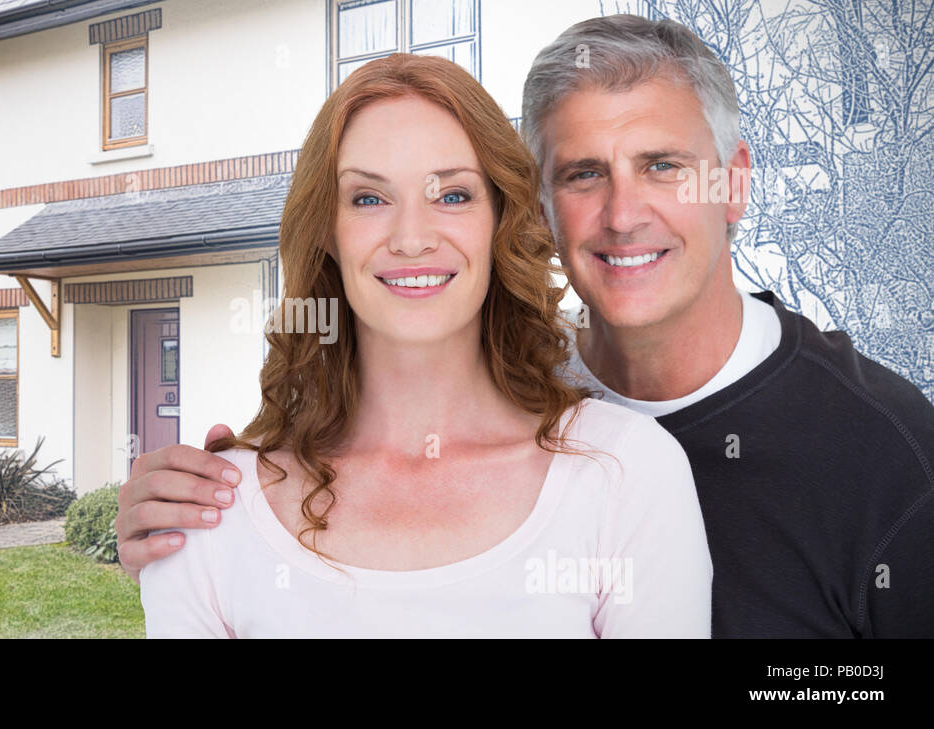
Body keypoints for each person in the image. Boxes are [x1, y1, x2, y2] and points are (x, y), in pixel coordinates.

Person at [120, 15, 934, 638]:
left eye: (662, 166)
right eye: (583, 174)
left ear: (734, 183)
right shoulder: (535, 388)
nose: (622, 214)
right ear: (537, 209)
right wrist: (171, 527)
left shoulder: (888, 452)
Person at [137, 52, 712, 638]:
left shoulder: (626, 473)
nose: (411, 239)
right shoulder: (208, 511)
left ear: (502, 220)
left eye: (453, 196)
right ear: (327, 233)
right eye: (368, 198)